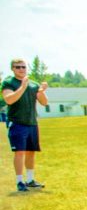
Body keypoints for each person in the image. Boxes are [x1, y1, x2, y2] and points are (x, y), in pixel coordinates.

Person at [2, 59, 48, 192]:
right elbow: (9, 99)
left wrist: (41, 91)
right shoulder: (9, 82)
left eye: (23, 67)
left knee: (30, 152)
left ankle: (30, 180)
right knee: (19, 152)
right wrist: (22, 87)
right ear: (12, 69)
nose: (21, 69)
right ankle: (19, 181)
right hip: (17, 123)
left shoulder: (33, 84)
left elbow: (44, 102)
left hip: (32, 123)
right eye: (18, 67)